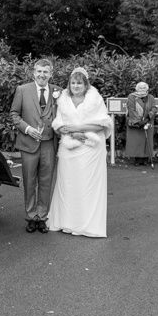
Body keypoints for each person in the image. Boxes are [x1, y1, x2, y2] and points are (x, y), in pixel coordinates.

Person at [48, 67, 112, 238]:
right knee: (68, 185)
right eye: (73, 83)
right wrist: (70, 133)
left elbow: (103, 124)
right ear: (69, 84)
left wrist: (79, 129)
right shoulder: (63, 100)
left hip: (90, 148)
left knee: (88, 186)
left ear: (86, 84)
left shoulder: (95, 99)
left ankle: (87, 225)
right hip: (69, 148)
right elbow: (58, 124)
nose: (76, 86)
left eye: (80, 83)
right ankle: (67, 222)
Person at [10, 59, 62, 234]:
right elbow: (14, 114)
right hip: (28, 143)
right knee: (30, 181)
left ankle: (42, 217)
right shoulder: (22, 90)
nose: (42, 75)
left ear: (51, 73)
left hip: (49, 143)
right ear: (33, 73)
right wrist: (27, 128)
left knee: (46, 182)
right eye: (39, 71)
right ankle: (31, 217)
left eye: (45, 72)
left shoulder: (58, 92)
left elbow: (64, 115)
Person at [125, 82, 157, 166]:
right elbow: (131, 109)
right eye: (140, 87)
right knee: (136, 140)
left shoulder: (151, 97)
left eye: (144, 87)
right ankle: (137, 160)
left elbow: (154, 108)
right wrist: (139, 121)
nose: (142, 89)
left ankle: (146, 159)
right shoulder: (131, 97)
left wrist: (147, 118)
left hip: (148, 122)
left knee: (147, 141)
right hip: (136, 123)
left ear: (147, 89)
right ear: (136, 89)